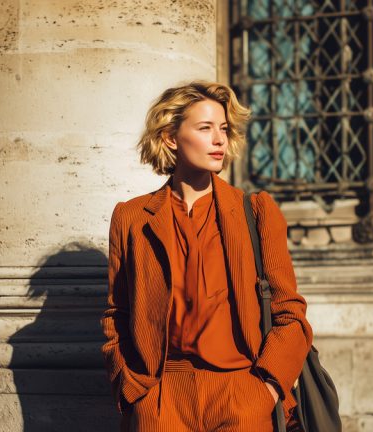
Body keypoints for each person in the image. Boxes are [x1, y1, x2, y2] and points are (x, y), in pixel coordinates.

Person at [100, 81, 313, 432]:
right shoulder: (133, 217)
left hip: (242, 391)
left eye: (224, 129)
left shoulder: (256, 212)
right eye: (205, 128)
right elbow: (117, 314)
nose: (219, 140)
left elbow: (290, 312)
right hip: (162, 398)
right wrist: (134, 391)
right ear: (170, 137)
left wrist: (267, 389)